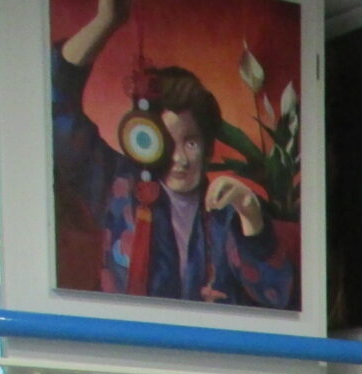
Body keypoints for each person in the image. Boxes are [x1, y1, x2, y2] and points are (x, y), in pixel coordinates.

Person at [54, 0, 295, 308]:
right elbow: (56, 108)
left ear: (207, 146)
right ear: (145, 141)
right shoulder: (116, 185)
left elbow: (279, 296)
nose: (179, 159)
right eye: (167, 142)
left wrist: (250, 213)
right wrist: (105, 22)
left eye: (191, 143)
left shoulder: (225, 211)